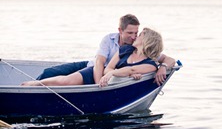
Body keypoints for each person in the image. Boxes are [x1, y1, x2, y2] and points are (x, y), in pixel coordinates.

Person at [37, 13, 175, 85]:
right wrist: (99, 85)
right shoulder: (110, 40)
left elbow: (167, 59)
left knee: (66, 81)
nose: (134, 37)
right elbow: (99, 63)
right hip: (93, 67)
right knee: (48, 72)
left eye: (136, 33)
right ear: (120, 31)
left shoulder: (141, 51)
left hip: (109, 76)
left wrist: (162, 67)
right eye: (130, 33)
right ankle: (31, 87)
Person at [21, 28, 164, 87]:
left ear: (147, 42)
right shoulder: (125, 49)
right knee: (66, 81)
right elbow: (108, 67)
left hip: (110, 81)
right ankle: (33, 85)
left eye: (139, 35)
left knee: (66, 81)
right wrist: (112, 73)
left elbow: (131, 70)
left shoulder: (150, 65)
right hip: (98, 74)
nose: (135, 37)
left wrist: (114, 73)